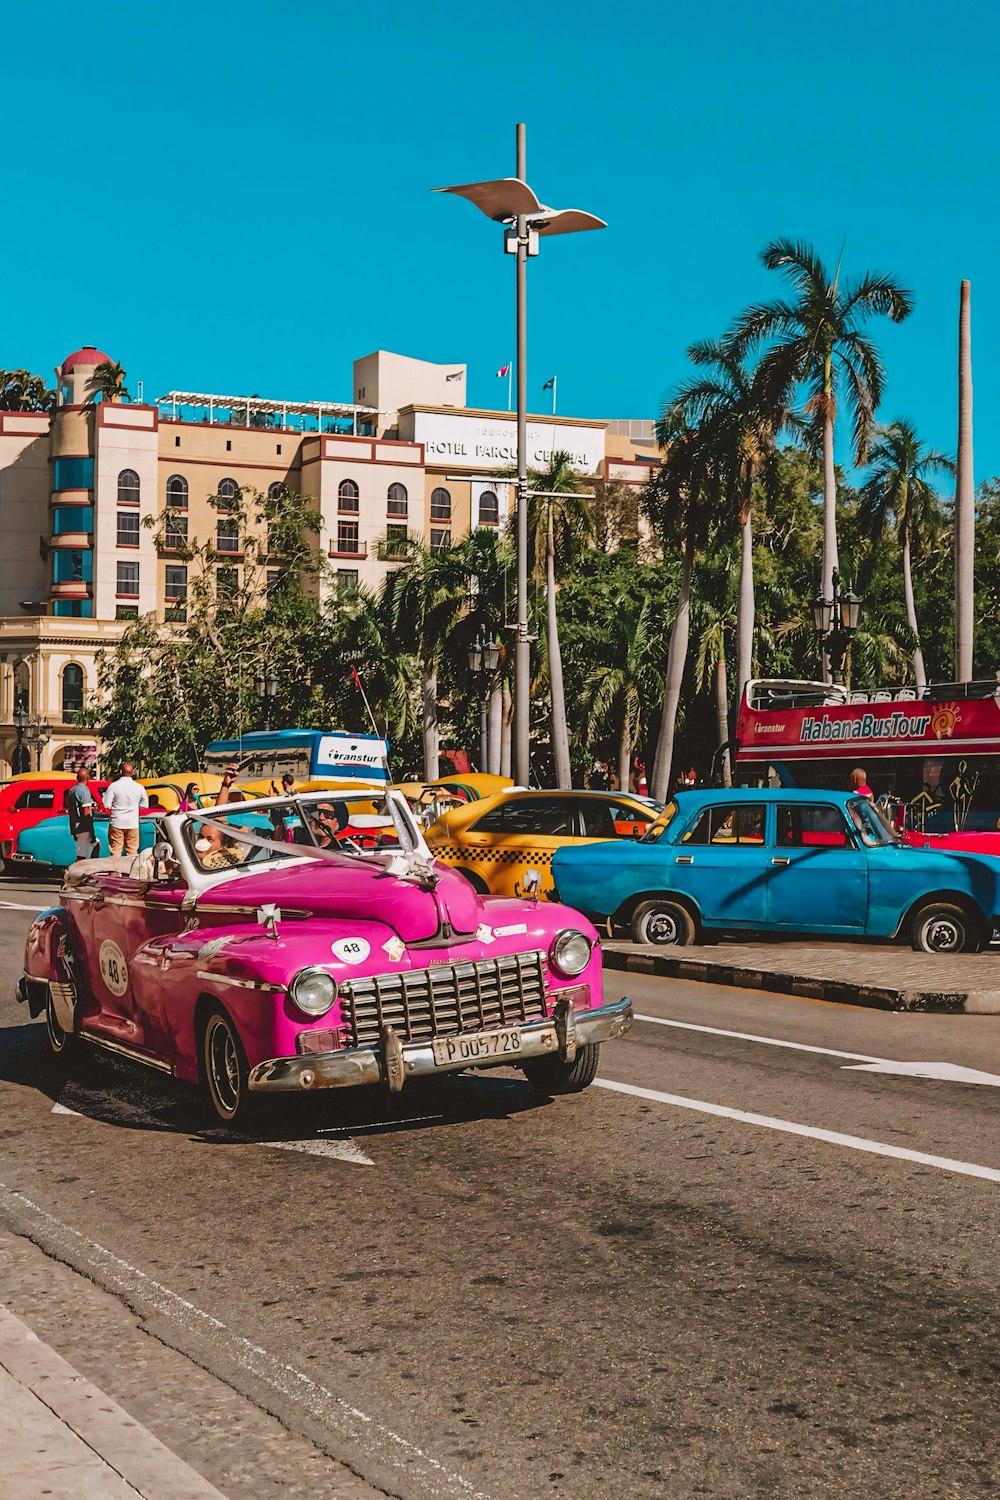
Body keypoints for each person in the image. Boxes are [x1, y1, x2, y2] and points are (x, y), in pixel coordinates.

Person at [104, 761, 148, 858]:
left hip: (117, 822)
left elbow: (107, 804)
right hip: (132, 823)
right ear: (132, 773)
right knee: (132, 851)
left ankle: (115, 871)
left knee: (115, 851)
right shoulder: (139, 787)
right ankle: (130, 871)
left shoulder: (113, 786)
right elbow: (145, 805)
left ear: (120, 772)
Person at [65, 768, 97, 860]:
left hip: (75, 825)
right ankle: (79, 871)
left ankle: (91, 867)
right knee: (81, 856)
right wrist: (91, 831)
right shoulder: (84, 791)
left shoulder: (72, 790)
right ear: (87, 777)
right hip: (83, 827)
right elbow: (86, 811)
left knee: (96, 845)